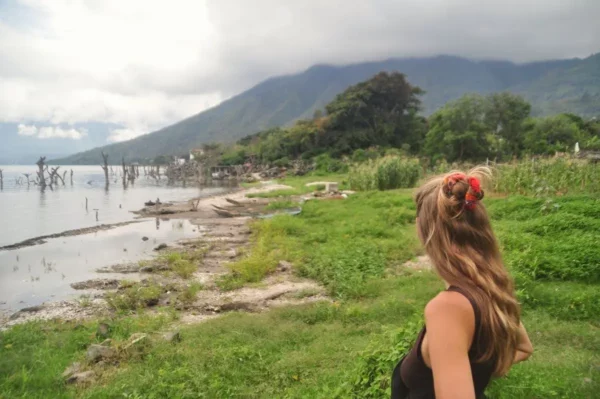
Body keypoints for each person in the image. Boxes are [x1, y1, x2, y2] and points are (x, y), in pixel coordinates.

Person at [391, 168, 533, 399]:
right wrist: (472, 374)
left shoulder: (449, 308)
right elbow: (524, 348)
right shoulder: (491, 289)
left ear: (422, 228)